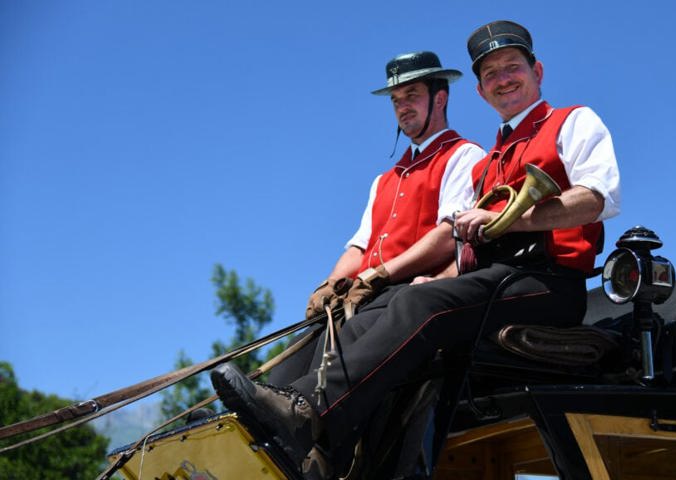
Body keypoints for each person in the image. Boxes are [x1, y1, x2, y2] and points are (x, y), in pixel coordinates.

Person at [212, 21, 620, 480]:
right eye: (490, 74)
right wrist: (440, 278)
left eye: (512, 67)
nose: (502, 79)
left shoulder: (573, 121)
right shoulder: (488, 162)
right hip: (497, 278)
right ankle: (286, 439)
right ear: (482, 91)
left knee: (414, 299)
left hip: (551, 283)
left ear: (537, 70)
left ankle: (309, 413)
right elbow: (468, 252)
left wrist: (507, 221)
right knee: (377, 310)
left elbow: (596, 199)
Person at [265, 51, 486, 389]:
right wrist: (331, 284)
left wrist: (383, 273)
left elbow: (447, 235)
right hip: (367, 294)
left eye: (412, 95)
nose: (402, 107)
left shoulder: (464, 155)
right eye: (396, 100)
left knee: (336, 357)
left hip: (409, 293)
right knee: (290, 361)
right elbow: (359, 245)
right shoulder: (383, 180)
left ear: (440, 98)